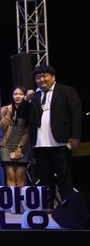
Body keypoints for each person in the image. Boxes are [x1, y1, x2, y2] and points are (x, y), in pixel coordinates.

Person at [29, 64, 83, 204]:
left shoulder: (66, 91)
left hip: (61, 142)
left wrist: (75, 136)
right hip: (40, 144)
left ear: (53, 76)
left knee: (64, 177)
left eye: (45, 76)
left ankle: (68, 207)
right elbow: (23, 115)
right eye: (38, 77)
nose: (42, 80)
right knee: (45, 178)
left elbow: (76, 114)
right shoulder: (35, 96)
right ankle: (48, 207)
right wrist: (26, 99)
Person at [0, 86, 31, 188]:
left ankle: (22, 198)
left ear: (25, 96)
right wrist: (8, 114)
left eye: (21, 94)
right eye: (15, 94)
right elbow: (2, 127)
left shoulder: (29, 109)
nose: (17, 96)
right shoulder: (5, 109)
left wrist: (20, 147)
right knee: (10, 176)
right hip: (6, 145)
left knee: (20, 176)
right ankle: (13, 198)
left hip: (22, 146)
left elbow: (28, 131)